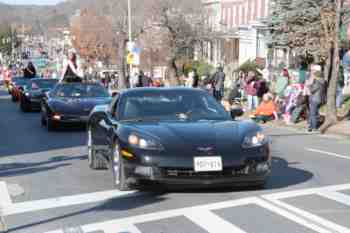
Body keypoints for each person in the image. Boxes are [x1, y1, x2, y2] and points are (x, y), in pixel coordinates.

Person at [306, 67, 326, 132]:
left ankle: (313, 127)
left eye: (314, 75)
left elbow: (312, 90)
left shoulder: (317, 82)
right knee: (314, 113)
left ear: (317, 76)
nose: (314, 76)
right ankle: (310, 126)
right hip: (320, 99)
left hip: (315, 99)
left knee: (313, 113)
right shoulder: (323, 82)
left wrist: (309, 86)